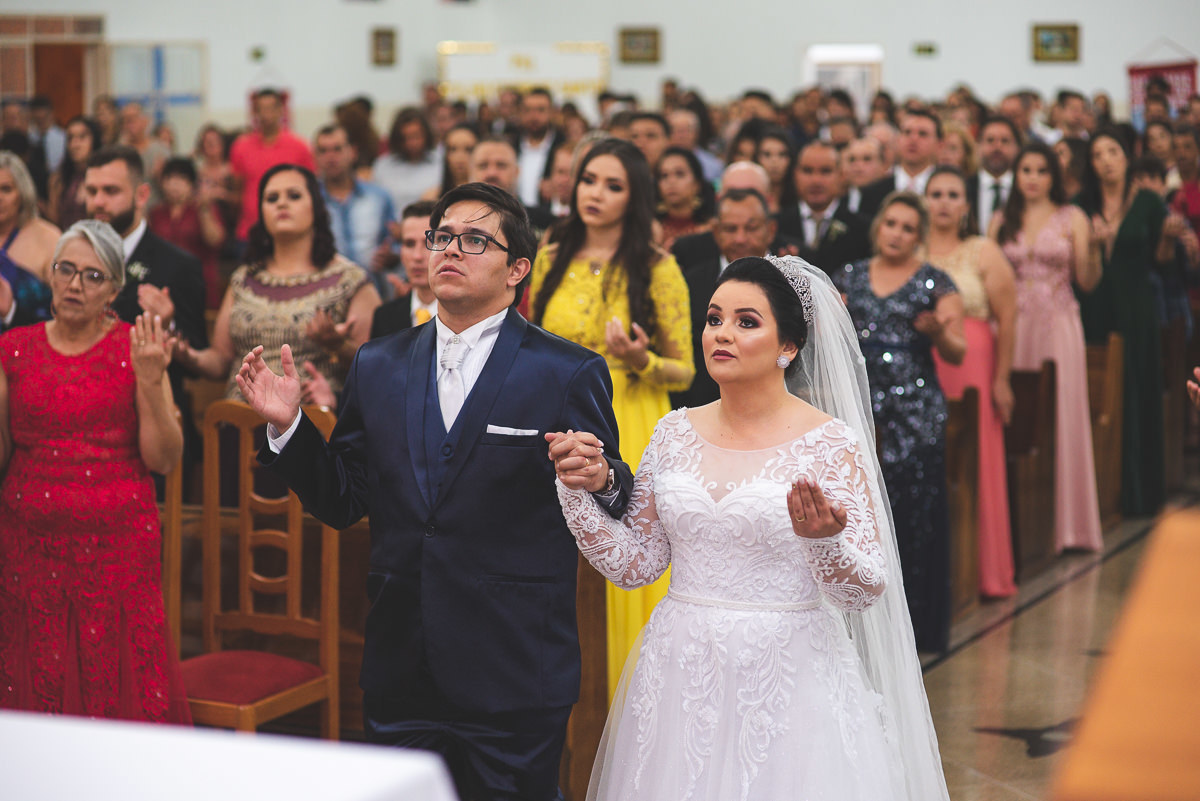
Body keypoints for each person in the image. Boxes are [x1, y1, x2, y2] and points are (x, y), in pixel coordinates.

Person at [235, 181, 633, 799]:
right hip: (403, 662)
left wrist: (601, 476)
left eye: (475, 240)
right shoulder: (380, 362)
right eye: (442, 236)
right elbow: (344, 498)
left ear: (517, 270)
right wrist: (290, 428)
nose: (449, 249)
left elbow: (619, 494)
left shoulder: (566, 370)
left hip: (514, 667)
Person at [547, 255, 950, 801]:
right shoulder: (672, 433)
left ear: (788, 347)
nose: (722, 334)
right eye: (714, 318)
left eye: (746, 322)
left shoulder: (830, 443)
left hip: (791, 672)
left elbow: (864, 590)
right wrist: (576, 490)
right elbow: (636, 564)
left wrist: (825, 542)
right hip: (681, 669)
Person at [0, 219, 190, 723]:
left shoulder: (137, 347)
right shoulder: (13, 349)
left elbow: (165, 460)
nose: (74, 285)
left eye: (92, 275)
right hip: (29, 549)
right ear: (51, 272)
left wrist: (151, 381)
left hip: (116, 551)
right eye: (65, 270)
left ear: (114, 289)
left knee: (115, 684)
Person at [529, 138, 694, 692]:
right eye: (589, 180)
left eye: (613, 185)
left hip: (630, 415)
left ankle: (630, 693)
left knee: (625, 552)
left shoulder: (658, 267)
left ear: (635, 198)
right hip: (555, 419)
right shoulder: (549, 257)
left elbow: (686, 370)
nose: (595, 194)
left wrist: (638, 357)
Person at [837, 192, 966, 652]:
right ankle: (863, 627)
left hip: (915, 416)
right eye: (891, 223)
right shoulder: (849, 276)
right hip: (858, 412)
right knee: (860, 515)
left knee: (915, 520)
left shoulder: (935, 281)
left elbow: (958, 351)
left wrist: (938, 333)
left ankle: (916, 630)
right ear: (878, 227)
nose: (897, 233)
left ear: (920, 236)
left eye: (908, 227)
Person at [172, 164, 379, 409]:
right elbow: (221, 361)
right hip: (240, 423)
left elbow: (376, 368)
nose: (282, 203)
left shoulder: (350, 280)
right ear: (261, 212)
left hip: (313, 422)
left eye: (294, 196)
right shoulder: (244, 279)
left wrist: (336, 344)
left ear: (316, 206)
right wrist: (187, 355)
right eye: (272, 198)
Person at [992, 142, 1103, 551]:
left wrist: (1096, 247)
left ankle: (1069, 527)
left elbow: (1088, 281)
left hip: (1057, 323)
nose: (1033, 177)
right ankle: (1018, 525)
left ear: (1053, 176)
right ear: (1016, 176)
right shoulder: (1001, 219)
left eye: (1041, 170)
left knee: (1062, 415)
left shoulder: (1073, 216)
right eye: (1026, 170)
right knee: (1015, 415)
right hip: (1011, 325)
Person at [925, 166, 1018, 598]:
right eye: (936, 193)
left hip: (975, 365)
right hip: (925, 365)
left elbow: (1009, 315)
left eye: (952, 194)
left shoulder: (982, 250)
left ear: (965, 205)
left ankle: (985, 572)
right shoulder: (910, 248)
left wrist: (1002, 379)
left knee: (978, 458)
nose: (943, 202)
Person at [1076, 127, 1179, 517]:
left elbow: (1163, 261)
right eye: (1098, 154)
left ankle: (1142, 492)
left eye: (1112, 151)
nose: (1105, 160)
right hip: (1097, 304)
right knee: (1101, 394)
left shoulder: (1150, 203)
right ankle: (1102, 491)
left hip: (1137, 307)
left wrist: (1169, 239)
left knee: (1137, 391)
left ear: (1127, 156)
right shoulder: (1082, 203)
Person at [671, 188, 777, 409]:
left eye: (751, 228)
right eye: (730, 229)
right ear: (716, 232)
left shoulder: (792, 282)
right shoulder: (689, 283)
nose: (740, 238)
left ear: (771, 229)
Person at [313, 124, 396, 299]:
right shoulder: (309, 201)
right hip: (323, 295)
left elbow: (394, 242)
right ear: (316, 156)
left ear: (353, 152)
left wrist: (391, 255)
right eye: (323, 150)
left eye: (337, 149)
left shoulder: (379, 197)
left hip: (374, 293)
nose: (331, 157)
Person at [229, 89, 316, 247]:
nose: (265, 114)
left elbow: (310, 189)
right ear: (255, 112)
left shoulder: (299, 146)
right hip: (249, 232)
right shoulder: (241, 147)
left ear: (281, 110)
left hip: (290, 231)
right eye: (260, 109)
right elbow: (238, 191)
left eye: (270, 108)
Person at [777, 141, 871, 277]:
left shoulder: (863, 229)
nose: (816, 180)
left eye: (825, 171)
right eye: (807, 171)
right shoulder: (776, 225)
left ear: (841, 175)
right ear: (795, 175)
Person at [148, 157, 226, 310]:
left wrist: (205, 210)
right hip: (164, 287)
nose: (174, 184)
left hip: (199, 284)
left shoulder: (203, 209)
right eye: (170, 178)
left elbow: (215, 240)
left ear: (191, 184)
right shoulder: (156, 213)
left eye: (181, 179)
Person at [0, 152, 60, 331]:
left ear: (22, 193)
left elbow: (66, 309)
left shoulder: (49, 237)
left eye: (6, 189)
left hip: (34, 347)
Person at [370, 201, 437, 339]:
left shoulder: (466, 315)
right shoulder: (384, 317)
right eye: (409, 244)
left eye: (429, 243)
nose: (417, 256)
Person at [859, 109, 942, 218]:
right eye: (907, 132)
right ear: (898, 139)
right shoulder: (872, 193)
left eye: (923, 134)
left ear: (939, 144)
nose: (913, 139)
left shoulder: (948, 193)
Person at [654, 145, 715, 250]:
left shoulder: (711, 229)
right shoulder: (651, 230)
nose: (671, 181)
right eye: (664, 176)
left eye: (679, 174)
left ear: (697, 183)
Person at [47, 115, 101, 230]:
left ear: (94, 140)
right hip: (65, 240)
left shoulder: (104, 176)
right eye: (70, 138)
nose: (75, 145)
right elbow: (54, 221)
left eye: (82, 137)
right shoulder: (59, 178)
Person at [422, 122, 477, 201]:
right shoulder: (431, 197)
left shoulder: (488, 196)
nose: (460, 156)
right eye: (453, 149)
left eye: (468, 149)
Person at [753, 127, 796, 214]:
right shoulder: (751, 198)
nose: (774, 161)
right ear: (757, 158)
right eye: (767, 154)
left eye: (782, 154)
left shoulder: (801, 198)